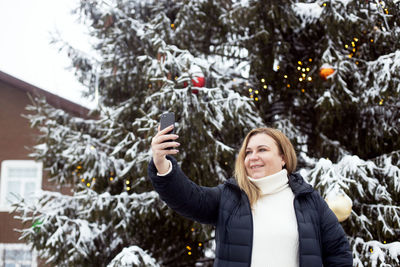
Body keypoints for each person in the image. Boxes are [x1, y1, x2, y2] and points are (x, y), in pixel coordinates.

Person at [148, 126, 353, 267]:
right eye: (248, 152)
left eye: (262, 150)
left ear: (283, 157)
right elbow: (189, 198)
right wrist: (161, 163)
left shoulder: (309, 200)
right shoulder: (230, 197)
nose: (253, 157)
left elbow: (338, 253)